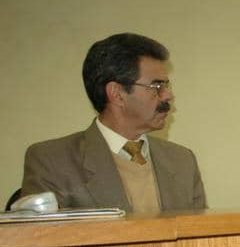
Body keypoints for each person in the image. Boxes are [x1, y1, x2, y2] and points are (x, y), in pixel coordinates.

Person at [21, 33, 206, 212]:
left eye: (166, 86)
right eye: (157, 86)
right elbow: (44, 238)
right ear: (117, 93)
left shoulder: (182, 161)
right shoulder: (52, 161)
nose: (168, 95)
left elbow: (200, 237)